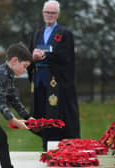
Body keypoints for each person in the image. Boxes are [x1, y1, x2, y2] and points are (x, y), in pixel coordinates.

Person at [0, 42, 44, 168]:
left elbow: (13, 99)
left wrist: (27, 117)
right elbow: (1, 104)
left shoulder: (8, 75)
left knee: (1, 137)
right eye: (24, 66)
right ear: (15, 60)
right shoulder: (0, 74)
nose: (25, 70)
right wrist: (14, 121)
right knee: (1, 137)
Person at [27, 0, 80, 151]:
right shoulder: (36, 33)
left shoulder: (65, 34)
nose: (49, 15)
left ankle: (58, 150)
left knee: (55, 116)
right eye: (47, 12)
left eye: (53, 13)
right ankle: (45, 147)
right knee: (41, 117)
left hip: (56, 84)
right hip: (39, 82)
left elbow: (66, 58)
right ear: (43, 13)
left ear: (58, 15)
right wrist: (33, 57)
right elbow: (29, 55)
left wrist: (45, 55)